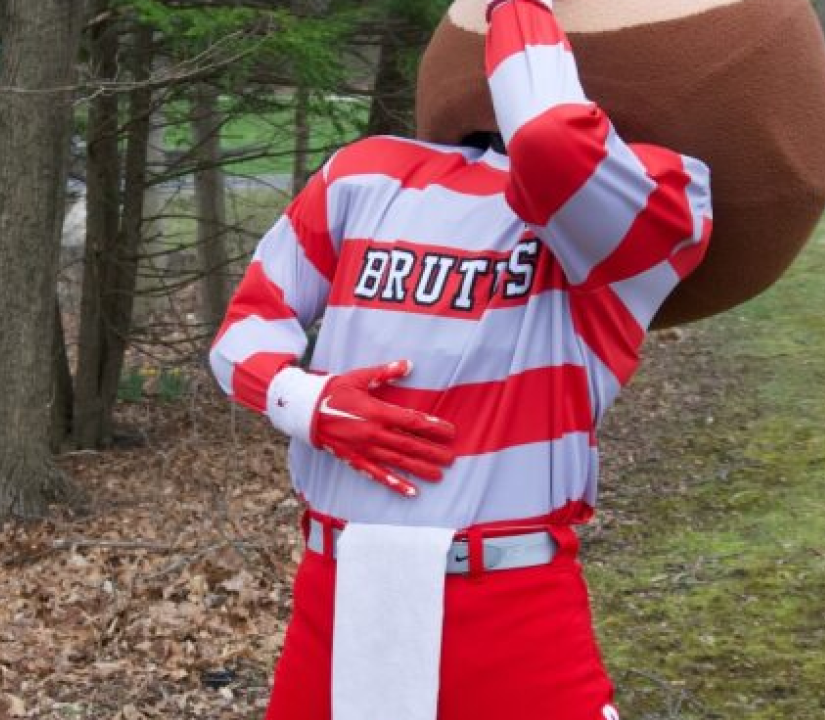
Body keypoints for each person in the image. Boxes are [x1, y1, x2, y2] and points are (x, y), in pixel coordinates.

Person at [208, 0, 712, 717]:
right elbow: (243, 334)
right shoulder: (366, 173)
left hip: (508, 606)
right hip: (338, 591)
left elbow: (547, 137)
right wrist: (309, 404)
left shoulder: (664, 192)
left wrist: (514, 4)